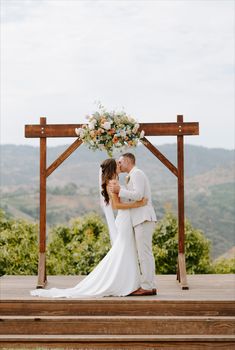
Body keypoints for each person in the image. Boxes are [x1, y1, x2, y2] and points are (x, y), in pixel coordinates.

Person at [30, 158, 147, 298]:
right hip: (124, 220)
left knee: (125, 251)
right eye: (117, 165)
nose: (120, 166)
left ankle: (128, 282)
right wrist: (138, 204)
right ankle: (125, 283)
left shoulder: (113, 181)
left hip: (124, 220)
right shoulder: (113, 183)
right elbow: (117, 206)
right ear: (112, 168)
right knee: (124, 250)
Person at [108, 153, 157, 296]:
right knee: (144, 253)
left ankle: (147, 286)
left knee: (144, 253)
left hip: (143, 218)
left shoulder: (137, 173)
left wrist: (120, 191)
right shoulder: (131, 175)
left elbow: (138, 195)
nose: (119, 164)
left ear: (128, 161)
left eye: (120, 162)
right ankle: (150, 284)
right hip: (138, 219)